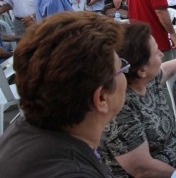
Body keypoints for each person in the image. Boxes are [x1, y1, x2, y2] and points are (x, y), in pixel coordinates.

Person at [0, 11, 127, 177]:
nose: (126, 73)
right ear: (101, 97)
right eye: (122, 68)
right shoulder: (72, 170)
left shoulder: (24, 131)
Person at [100, 21, 176, 177]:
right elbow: (143, 169)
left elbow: (165, 69)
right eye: (156, 52)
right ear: (141, 70)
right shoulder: (121, 107)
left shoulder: (147, 80)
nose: (161, 53)